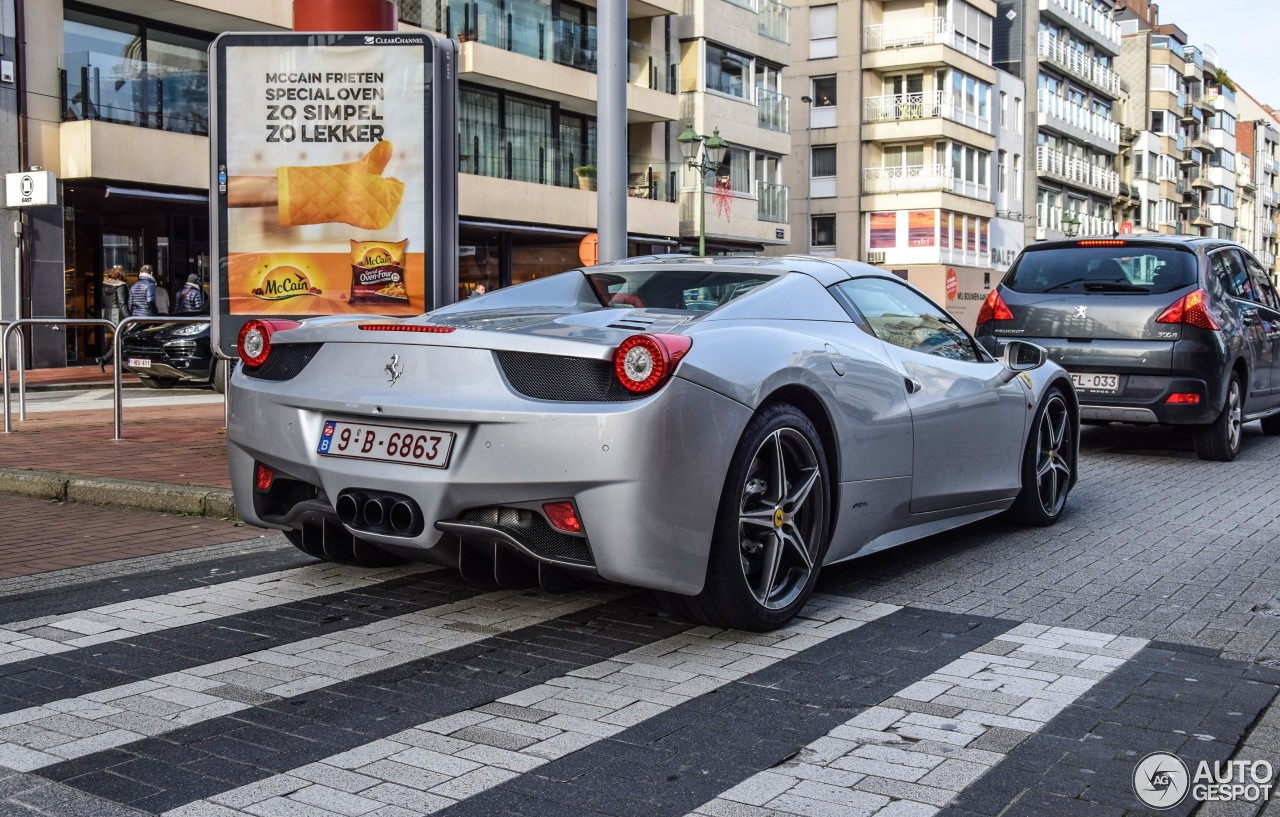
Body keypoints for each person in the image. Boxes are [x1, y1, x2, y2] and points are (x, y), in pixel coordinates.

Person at [96, 266, 131, 372]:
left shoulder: (104, 285)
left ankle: (108, 360)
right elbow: (122, 303)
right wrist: (129, 319)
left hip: (107, 314)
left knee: (116, 340)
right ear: (122, 275)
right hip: (118, 316)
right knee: (120, 339)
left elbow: (103, 301)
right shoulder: (120, 286)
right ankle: (105, 359)